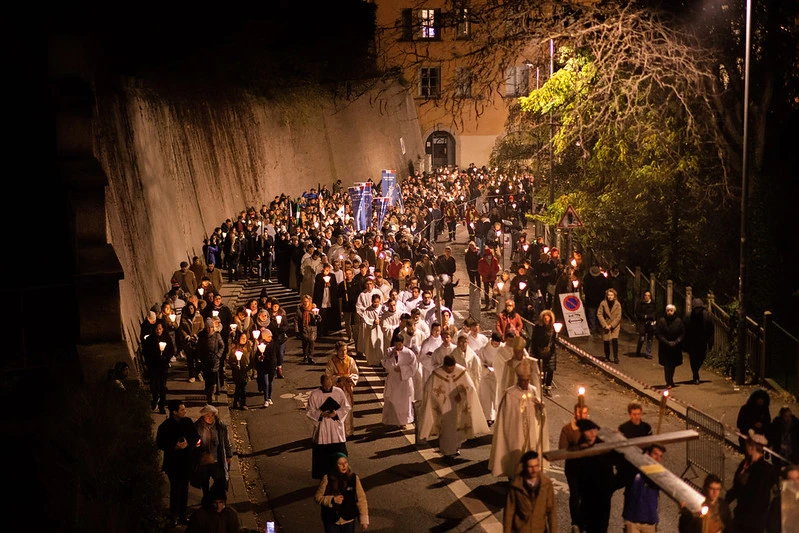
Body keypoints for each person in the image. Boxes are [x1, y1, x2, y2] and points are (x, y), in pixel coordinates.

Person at [417, 354, 490, 459]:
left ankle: (456, 448)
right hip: (444, 407)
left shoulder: (461, 371)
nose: (450, 370)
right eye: (448, 368)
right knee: (446, 429)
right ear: (444, 366)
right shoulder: (437, 373)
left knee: (458, 427)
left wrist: (462, 395)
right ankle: (446, 451)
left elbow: (470, 388)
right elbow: (428, 389)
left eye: (452, 368)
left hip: (458, 406)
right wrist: (437, 399)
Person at [490, 359, 548, 479]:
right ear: (518, 379)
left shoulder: (533, 390)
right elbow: (506, 416)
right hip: (515, 431)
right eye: (523, 381)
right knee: (516, 453)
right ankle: (514, 475)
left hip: (531, 431)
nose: (525, 383)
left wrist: (540, 408)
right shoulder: (510, 394)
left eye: (527, 380)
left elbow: (538, 413)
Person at [157, 400, 201, 527]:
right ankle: (174, 515)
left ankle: (182, 515)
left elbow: (195, 436)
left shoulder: (187, 422)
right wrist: (174, 446)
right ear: (174, 412)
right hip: (173, 463)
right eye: (182, 410)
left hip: (186, 462)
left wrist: (188, 443)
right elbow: (160, 443)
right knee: (175, 489)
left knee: (184, 489)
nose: (185, 411)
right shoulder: (165, 426)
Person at [725, 430, 779, 533]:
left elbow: (758, 495)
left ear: (752, 447)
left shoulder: (764, 470)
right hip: (741, 514)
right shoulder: (746, 464)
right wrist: (726, 500)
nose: (745, 447)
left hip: (753, 519)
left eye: (747, 445)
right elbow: (737, 486)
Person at [574, 419, 621, 533]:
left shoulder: (604, 445)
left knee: (601, 526)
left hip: (603, 495)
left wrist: (612, 486)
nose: (592, 433)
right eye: (588, 431)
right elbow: (575, 471)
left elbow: (619, 461)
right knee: (586, 525)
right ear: (583, 432)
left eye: (594, 430)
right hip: (588, 496)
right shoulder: (580, 447)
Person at [307, 374, 351, 479]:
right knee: (322, 456)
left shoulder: (338, 392)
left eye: (329, 385)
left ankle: (341, 473)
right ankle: (323, 475)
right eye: (325, 385)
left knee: (339, 452)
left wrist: (336, 414)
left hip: (335, 427)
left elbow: (346, 407)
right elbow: (309, 410)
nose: (327, 387)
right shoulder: (315, 394)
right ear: (321, 383)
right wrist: (320, 414)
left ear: (331, 382)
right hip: (323, 427)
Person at [502, 450, 558, 533]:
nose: (534, 470)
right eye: (530, 467)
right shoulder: (516, 486)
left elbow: (552, 512)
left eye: (536, 466)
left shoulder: (546, 484)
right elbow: (509, 513)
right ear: (524, 467)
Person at [315, 453, 370, 532]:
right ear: (335, 465)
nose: (344, 466)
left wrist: (364, 519)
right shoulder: (327, 478)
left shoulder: (353, 478)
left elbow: (361, 498)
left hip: (348, 518)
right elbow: (318, 497)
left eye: (345, 463)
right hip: (331, 519)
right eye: (340, 464)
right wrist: (332, 500)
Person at [559, 402, 590, 533]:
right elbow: (562, 449)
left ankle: (585, 521)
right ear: (574, 412)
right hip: (573, 469)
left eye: (584, 413)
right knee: (575, 495)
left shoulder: (590, 429)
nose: (582, 415)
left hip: (587, 469)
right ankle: (576, 522)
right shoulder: (567, 429)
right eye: (579, 412)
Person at [621, 444, 665, 533]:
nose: (657, 458)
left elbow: (672, 489)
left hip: (650, 521)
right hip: (632, 520)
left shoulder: (659, 475)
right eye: (655, 454)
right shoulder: (634, 469)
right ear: (647, 453)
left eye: (660, 456)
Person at [193, 404, 233, 499]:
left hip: (216, 459)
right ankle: (206, 498)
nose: (210, 418)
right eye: (207, 416)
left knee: (219, 481)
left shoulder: (220, 426)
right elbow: (193, 441)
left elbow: (225, 441)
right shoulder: (197, 426)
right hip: (204, 460)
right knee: (204, 482)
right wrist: (196, 445)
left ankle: (217, 499)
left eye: (212, 415)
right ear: (203, 416)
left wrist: (229, 455)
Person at [381, 335, 418, 429]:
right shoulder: (390, 351)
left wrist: (401, 369)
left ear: (402, 343)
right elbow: (384, 363)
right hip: (393, 380)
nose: (397, 346)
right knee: (392, 400)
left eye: (399, 344)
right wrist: (395, 358)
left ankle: (403, 422)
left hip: (404, 381)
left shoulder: (409, 353)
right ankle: (391, 420)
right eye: (396, 344)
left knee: (404, 403)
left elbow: (413, 368)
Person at [325, 340, 360, 437]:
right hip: (337, 388)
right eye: (341, 350)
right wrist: (339, 378)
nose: (343, 352)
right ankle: (338, 432)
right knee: (337, 409)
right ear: (336, 351)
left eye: (345, 350)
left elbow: (355, 373)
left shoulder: (350, 360)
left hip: (347, 388)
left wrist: (350, 378)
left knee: (348, 409)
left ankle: (348, 431)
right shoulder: (332, 362)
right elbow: (328, 376)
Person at [143, 321, 174, 413]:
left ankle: (162, 405)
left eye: (160, 329)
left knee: (162, 386)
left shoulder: (166, 338)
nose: (158, 331)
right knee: (153, 385)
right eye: (156, 329)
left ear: (162, 329)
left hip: (163, 366)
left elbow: (171, 350)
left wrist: (166, 357)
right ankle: (155, 399)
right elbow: (145, 352)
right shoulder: (150, 339)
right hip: (153, 365)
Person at [684, 297, 714, 384]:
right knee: (693, 358)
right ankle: (695, 374)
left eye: (700, 308)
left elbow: (711, 329)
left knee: (702, 357)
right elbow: (684, 330)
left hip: (702, 340)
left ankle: (696, 370)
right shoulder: (688, 317)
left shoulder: (706, 317)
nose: (698, 311)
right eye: (697, 309)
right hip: (692, 341)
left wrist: (710, 341)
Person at [196, 317, 225, 405]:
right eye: (208, 327)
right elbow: (199, 348)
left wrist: (218, 355)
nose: (210, 329)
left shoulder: (217, 336)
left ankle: (211, 394)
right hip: (205, 360)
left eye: (211, 327)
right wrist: (199, 358)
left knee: (213, 378)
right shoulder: (202, 336)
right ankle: (208, 392)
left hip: (214, 360)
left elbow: (222, 346)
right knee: (207, 378)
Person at [656, 304, 685, 388]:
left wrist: (676, 342)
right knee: (667, 365)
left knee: (673, 365)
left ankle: (670, 380)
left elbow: (682, 333)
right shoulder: (662, 321)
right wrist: (666, 342)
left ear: (674, 311)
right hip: (664, 347)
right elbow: (658, 334)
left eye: (671, 311)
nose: (669, 312)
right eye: (668, 311)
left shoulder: (678, 321)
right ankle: (668, 381)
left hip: (675, 347)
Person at [477, 331, 503, 425]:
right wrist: (485, 367)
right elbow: (480, 360)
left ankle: (497, 416)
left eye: (498, 344)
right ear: (492, 340)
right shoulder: (484, 349)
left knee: (496, 397)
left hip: (498, 376)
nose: (496, 345)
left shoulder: (502, 349)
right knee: (486, 397)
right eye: (495, 343)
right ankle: (487, 417)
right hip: (487, 375)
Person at [736, 388, 772, 453]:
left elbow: (768, 423)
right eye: (759, 399)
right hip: (747, 439)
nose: (761, 401)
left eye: (762, 399)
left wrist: (762, 425)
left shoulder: (764, 410)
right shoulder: (746, 409)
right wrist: (752, 426)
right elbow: (740, 423)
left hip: (759, 439)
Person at [530, 309, 557, 396]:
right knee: (541, 369)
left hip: (550, 351)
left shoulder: (553, 328)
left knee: (550, 369)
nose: (546, 320)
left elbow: (554, 340)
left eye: (548, 319)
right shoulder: (538, 327)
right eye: (545, 319)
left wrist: (550, 348)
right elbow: (534, 339)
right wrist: (536, 350)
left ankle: (548, 387)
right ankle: (540, 385)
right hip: (539, 350)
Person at [179, 301, 205, 383]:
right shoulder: (184, 318)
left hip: (197, 341)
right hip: (188, 342)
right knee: (190, 359)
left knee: (198, 359)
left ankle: (199, 373)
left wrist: (196, 335)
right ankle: (192, 375)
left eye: (192, 308)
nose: (190, 310)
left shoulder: (199, 317)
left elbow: (202, 328)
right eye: (189, 309)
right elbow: (181, 329)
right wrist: (187, 336)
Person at [227, 331, 252, 410]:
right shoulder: (235, 349)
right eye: (242, 338)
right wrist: (235, 365)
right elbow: (230, 360)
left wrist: (249, 367)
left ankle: (239, 402)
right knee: (239, 386)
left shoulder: (249, 348)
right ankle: (240, 403)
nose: (244, 339)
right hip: (237, 371)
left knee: (242, 386)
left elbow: (251, 358)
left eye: (245, 338)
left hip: (245, 370)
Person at [597, 288, 622, 363]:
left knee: (615, 340)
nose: (610, 297)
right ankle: (607, 357)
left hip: (615, 325)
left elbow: (619, 316)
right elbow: (599, 314)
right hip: (606, 324)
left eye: (611, 295)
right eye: (609, 295)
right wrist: (605, 325)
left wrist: (612, 325)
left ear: (614, 296)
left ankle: (615, 357)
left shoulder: (617, 304)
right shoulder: (603, 303)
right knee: (606, 341)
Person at [582, 264, 608, 335]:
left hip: (596, 299)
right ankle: (595, 328)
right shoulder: (601, 278)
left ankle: (596, 327)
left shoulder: (588, 277)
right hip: (593, 299)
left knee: (595, 315)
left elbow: (585, 289)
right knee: (593, 314)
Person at [297, 294, 322, 364]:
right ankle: (305, 355)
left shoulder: (313, 309)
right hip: (304, 328)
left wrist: (317, 316)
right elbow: (296, 320)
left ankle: (310, 357)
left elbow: (319, 320)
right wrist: (297, 330)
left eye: (306, 301)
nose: (305, 303)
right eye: (304, 301)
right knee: (305, 342)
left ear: (310, 301)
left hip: (312, 328)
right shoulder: (300, 309)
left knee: (311, 342)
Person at [634, 290, 657, 359]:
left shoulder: (653, 304)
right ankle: (638, 351)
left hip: (650, 322)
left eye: (648, 295)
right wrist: (644, 316)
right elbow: (637, 312)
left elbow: (655, 312)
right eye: (646, 295)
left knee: (650, 338)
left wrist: (652, 318)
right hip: (642, 322)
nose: (647, 297)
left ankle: (648, 353)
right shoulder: (640, 303)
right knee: (642, 338)